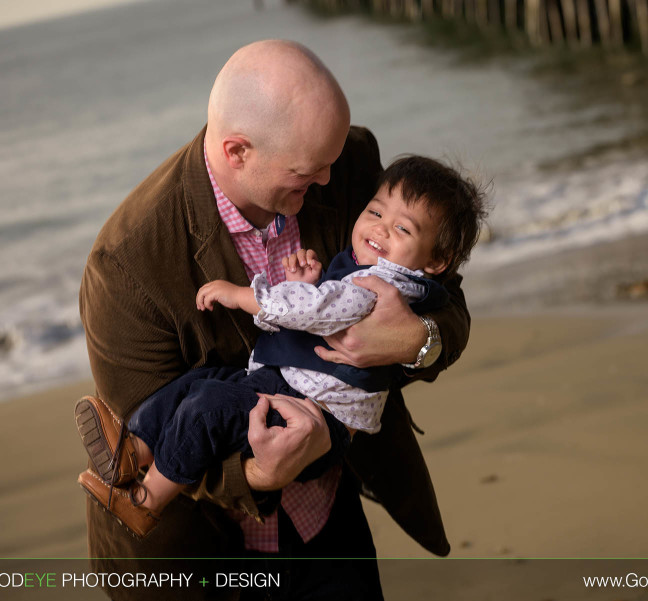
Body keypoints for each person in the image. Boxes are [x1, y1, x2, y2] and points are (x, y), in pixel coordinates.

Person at [77, 40, 472, 600]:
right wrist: (257, 476)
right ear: (238, 150)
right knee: (192, 407)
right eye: (310, 171)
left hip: (328, 516)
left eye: (333, 162)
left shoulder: (344, 160)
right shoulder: (126, 262)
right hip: (205, 550)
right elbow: (158, 419)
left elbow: (444, 293)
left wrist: (417, 339)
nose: (332, 182)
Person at [77, 156, 487, 539]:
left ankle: (146, 500)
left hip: (309, 412)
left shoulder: (380, 284)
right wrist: (308, 285)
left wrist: (242, 296)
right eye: (376, 213)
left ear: (437, 262)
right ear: (238, 151)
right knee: (200, 383)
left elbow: (318, 309)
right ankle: (132, 448)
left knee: (209, 407)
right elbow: (322, 306)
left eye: (403, 229)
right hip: (275, 404)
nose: (380, 229)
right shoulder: (125, 257)